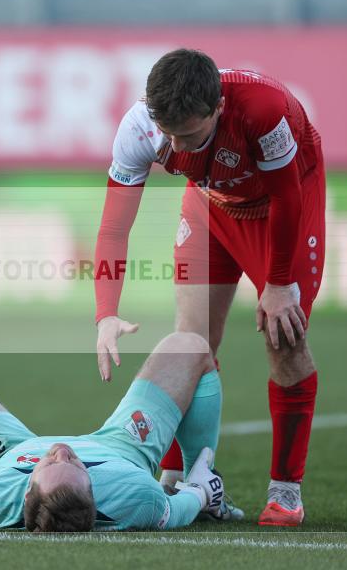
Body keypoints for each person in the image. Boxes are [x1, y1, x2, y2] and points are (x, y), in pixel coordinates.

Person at [94, 49, 325, 526]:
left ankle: (285, 492)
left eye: (191, 135)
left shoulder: (265, 110)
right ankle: (187, 481)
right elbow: (114, 229)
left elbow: (285, 196)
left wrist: (279, 283)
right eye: (170, 134)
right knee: (190, 344)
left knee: (285, 339)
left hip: (281, 207)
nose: (177, 146)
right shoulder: (139, 128)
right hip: (212, 206)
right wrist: (106, 312)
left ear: (218, 107)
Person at [0, 332, 229, 531]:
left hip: (10, 452)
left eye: (51, 464)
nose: (62, 449)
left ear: (26, 493)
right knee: (191, 346)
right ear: (94, 490)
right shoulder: (138, 498)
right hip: (121, 448)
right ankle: (201, 490)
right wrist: (200, 490)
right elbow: (180, 509)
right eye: (76, 464)